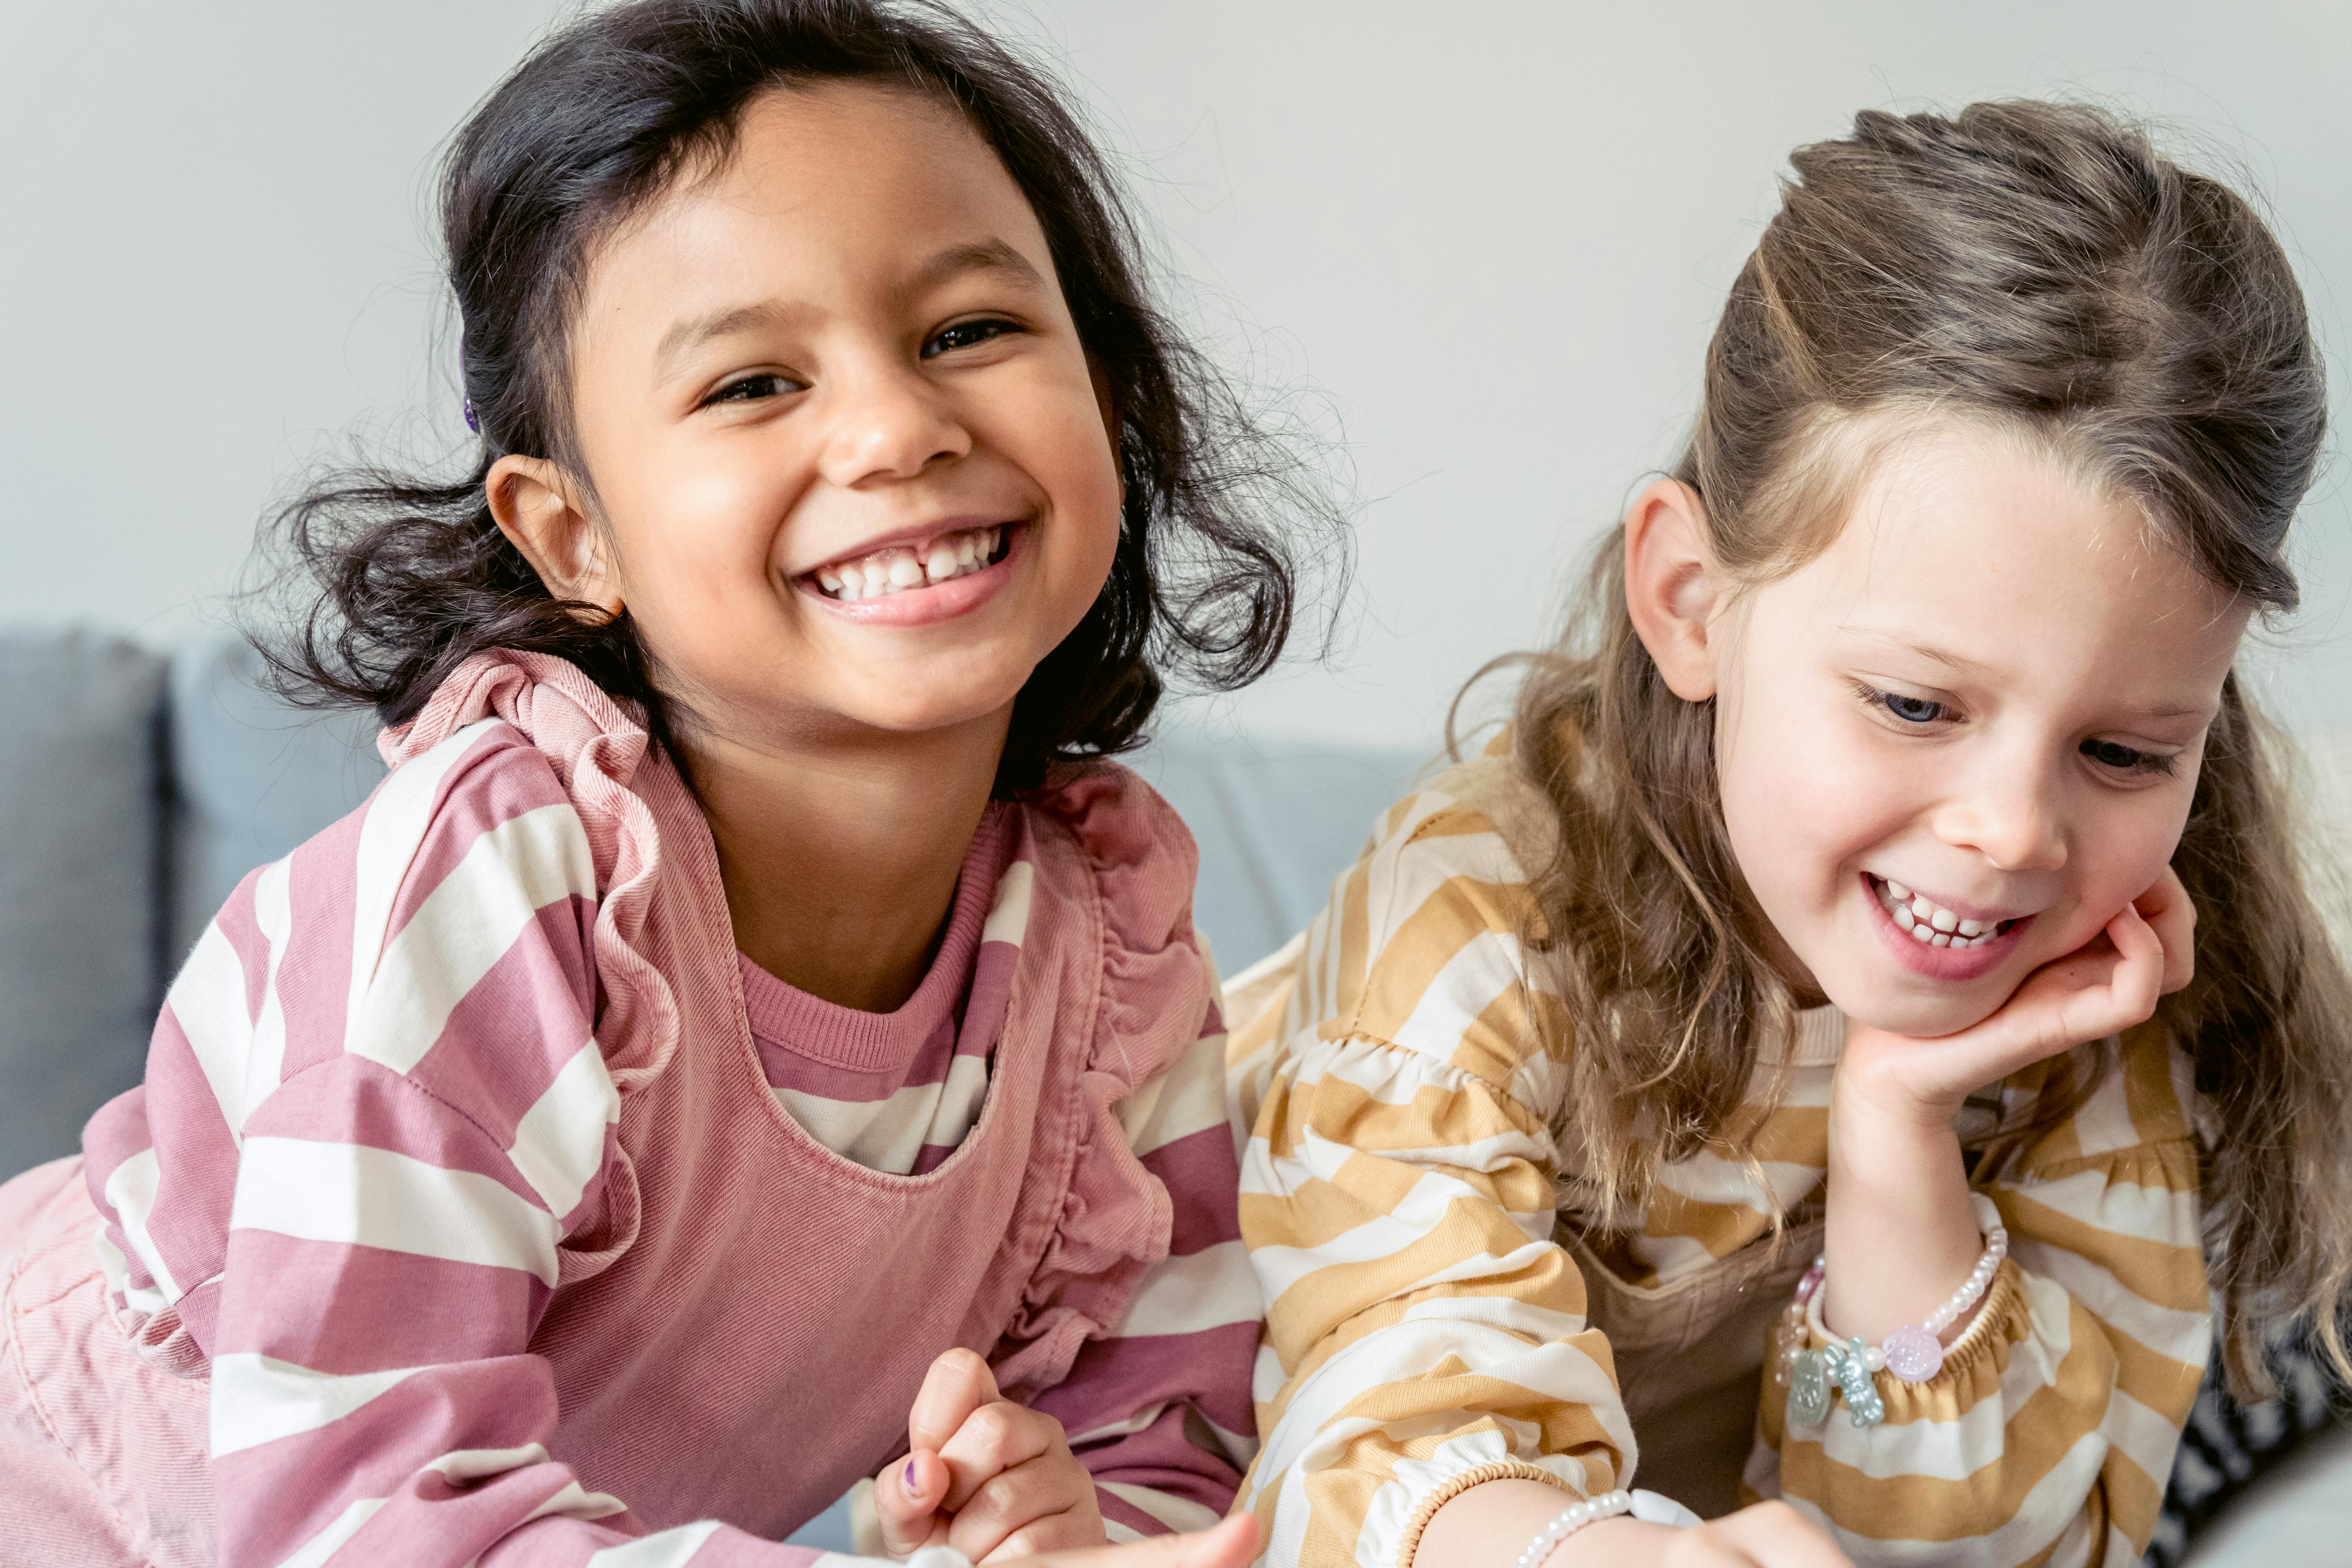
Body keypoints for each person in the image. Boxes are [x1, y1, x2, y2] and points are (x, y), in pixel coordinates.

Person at [0, 3, 1343, 1564]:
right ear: (574, 536)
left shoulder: (1106, 948)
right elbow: (364, 1517)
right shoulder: (506, 879)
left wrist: (1055, 1517)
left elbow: (1171, 1435)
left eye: (967, 331)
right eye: (752, 383)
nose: (901, 428)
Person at [1224, 101, 2352, 1568]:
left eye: (2126, 750)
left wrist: (1901, 1139)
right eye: (1913, 704)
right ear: (1691, 602)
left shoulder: (2094, 1008)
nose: (2012, 833)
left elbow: (2015, 1551)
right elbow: (1385, 1407)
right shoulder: (1486, 916)